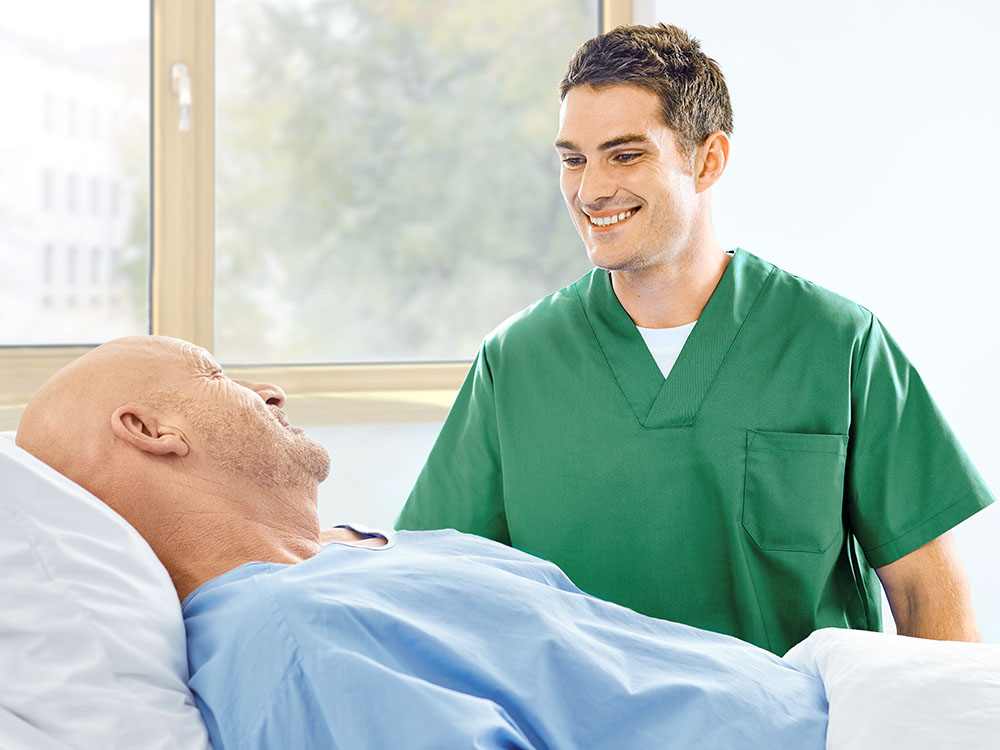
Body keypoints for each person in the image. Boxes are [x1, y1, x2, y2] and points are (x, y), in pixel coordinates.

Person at [395, 23, 996, 655]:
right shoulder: (516, 362)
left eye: (625, 155)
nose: (590, 190)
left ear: (707, 159)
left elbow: (930, 602)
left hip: (797, 733)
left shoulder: (837, 343)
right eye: (574, 158)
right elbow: (434, 584)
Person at [15, 335, 829, 749]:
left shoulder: (370, 556)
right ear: (149, 429)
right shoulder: (295, 639)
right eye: (216, 375)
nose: (270, 389)